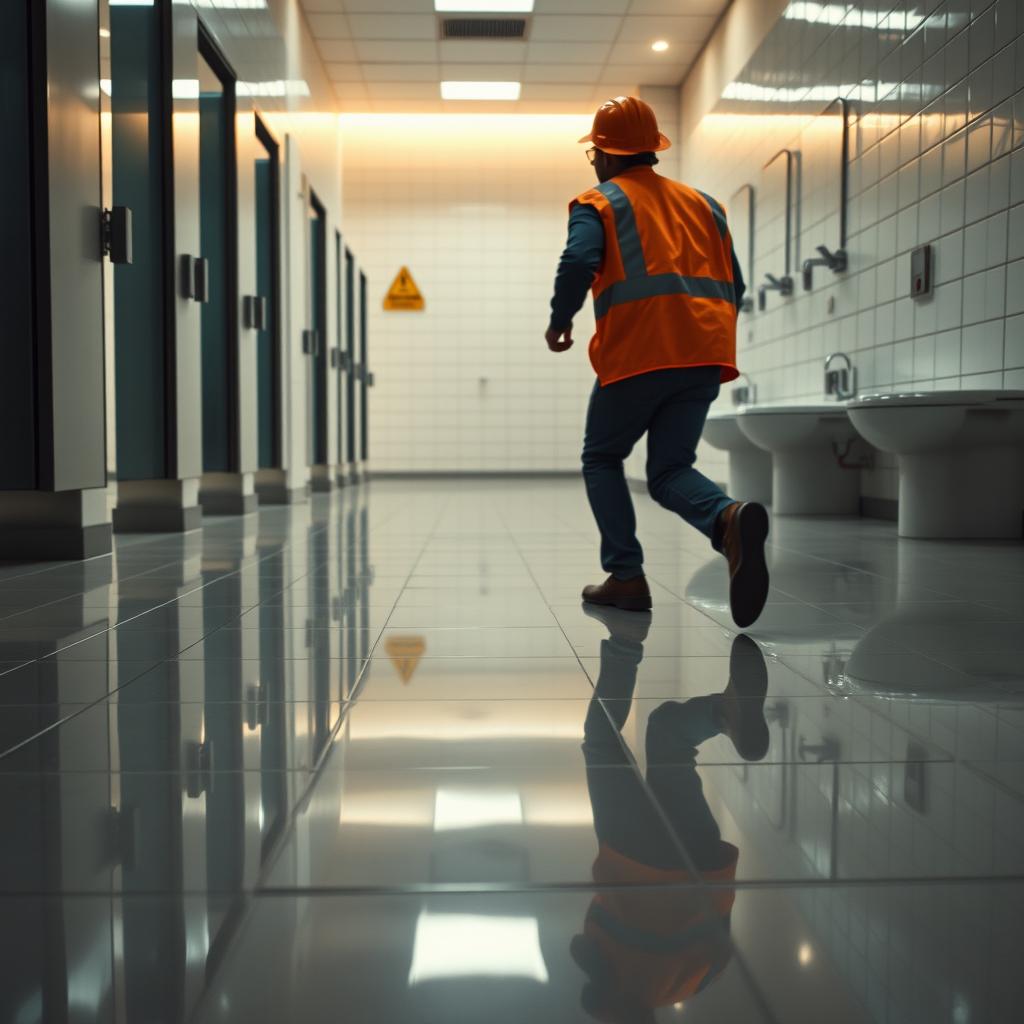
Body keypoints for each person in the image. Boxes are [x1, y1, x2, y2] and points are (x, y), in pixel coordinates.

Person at [546, 96, 769, 627]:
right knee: (670, 467)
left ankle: (626, 575)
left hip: (641, 349)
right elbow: (735, 283)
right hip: (705, 353)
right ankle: (727, 517)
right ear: (651, 149)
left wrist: (561, 319)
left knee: (602, 457)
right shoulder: (705, 204)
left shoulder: (599, 202)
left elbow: (579, 259)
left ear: (602, 152)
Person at [571, 605, 770, 1020]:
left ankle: (725, 713)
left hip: (704, 866)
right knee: (602, 744)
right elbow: (583, 948)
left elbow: (723, 945)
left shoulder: (697, 982)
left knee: (670, 739)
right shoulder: (610, 987)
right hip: (635, 864)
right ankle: (626, 640)